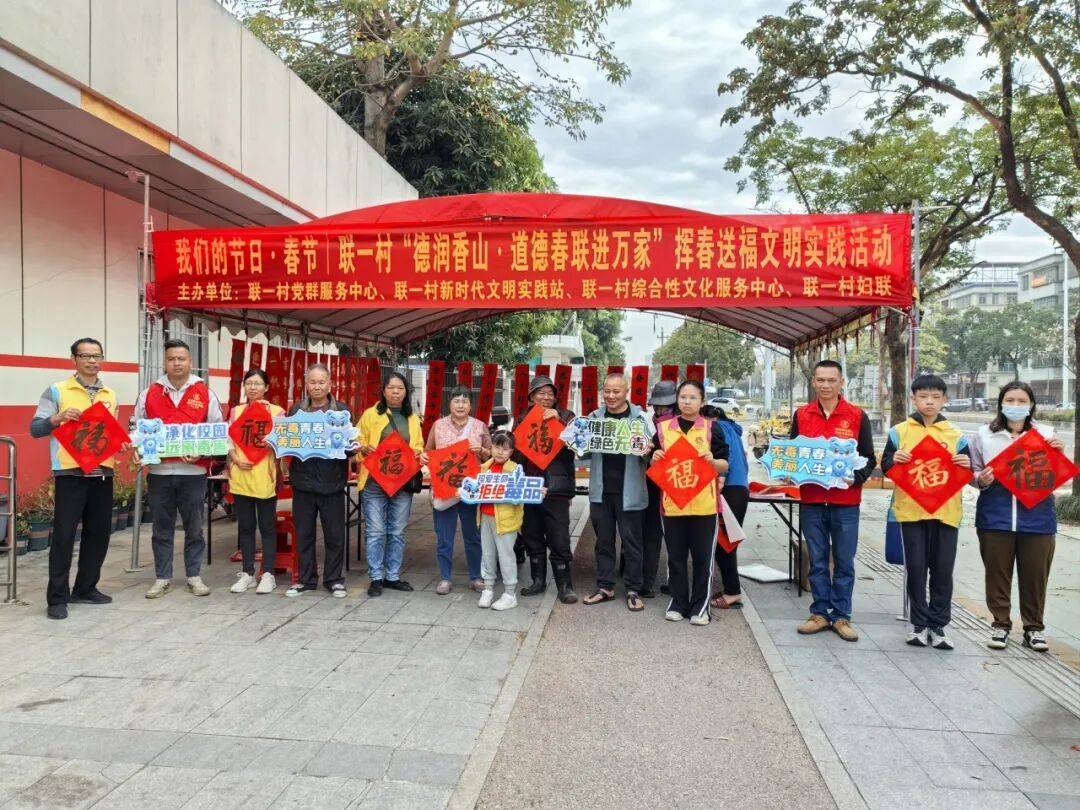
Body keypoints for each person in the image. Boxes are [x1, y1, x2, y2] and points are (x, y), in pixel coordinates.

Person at [969, 381, 1064, 652]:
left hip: (1038, 518)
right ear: (1001, 403)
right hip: (995, 516)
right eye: (1010, 400)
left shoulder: (1045, 434)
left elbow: (1057, 475)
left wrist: (1058, 454)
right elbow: (973, 472)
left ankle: (1034, 629)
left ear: (1031, 404)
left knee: (1035, 576)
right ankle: (1000, 625)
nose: (1015, 405)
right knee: (997, 574)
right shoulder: (984, 434)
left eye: (1022, 401)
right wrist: (981, 478)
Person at [29, 338, 120, 620]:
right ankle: (57, 598)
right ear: (74, 359)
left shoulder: (109, 393)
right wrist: (57, 418)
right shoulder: (57, 390)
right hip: (70, 473)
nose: (92, 361)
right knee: (64, 535)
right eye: (86, 356)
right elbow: (35, 428)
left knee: (99, 534)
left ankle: (85, 588)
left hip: (102, 473)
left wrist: (122, 443)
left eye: (97, 356)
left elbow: (110, 432)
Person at [880, 374, 970, 650]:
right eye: (923, 396)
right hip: (911, 512)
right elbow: (886, 467)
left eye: (935, 397)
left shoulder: (956, 435)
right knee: (916, 569)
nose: (929, 402)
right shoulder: (899, 432)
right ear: (913, 398)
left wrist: (966, 463)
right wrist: (894, 460)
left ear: (944, 400)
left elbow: (968, 472)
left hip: (946, 512)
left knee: (943, 571)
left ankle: (939, 625)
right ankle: (918, 624)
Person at [790, 359, 876, 642]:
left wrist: (857, 477)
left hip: (845, 502)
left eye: (831, 380)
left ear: (841, 383)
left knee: (844, 562)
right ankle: (819, 613)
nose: (826, 385)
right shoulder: (802, 415)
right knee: (816, 561)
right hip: (812, 500)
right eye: (821, 380)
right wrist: (790, 472)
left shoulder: (856, 415)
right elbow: (793, 454)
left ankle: (841, 616)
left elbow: (869, 458)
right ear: (813, 382)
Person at [134, 338, 223, 599]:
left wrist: (202, 451)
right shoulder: (149, 393)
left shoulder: (205, 393)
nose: (176, 363)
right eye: (171, 359)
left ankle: (194, 576)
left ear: (190, 362)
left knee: (194, 527)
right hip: (159, 473)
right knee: (161, 527)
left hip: (193, 474)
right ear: (165, 362)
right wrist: (139, 449)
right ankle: (162, 578)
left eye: (181, 359)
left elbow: (217, 431)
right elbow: (136, 428)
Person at [651, 379, 728, 625]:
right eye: (683, 397)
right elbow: (653, 461)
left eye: (693, 397)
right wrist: (654, 457)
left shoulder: (712, 429)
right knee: (675, 558)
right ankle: (678, 603)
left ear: (702, 401)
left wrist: (712, 462)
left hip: (705, 505)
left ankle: (700, 607)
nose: (687, 402)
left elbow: (725, 464)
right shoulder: (663, 429)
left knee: (703, 559)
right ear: (677, 400)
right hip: (672, 505)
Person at [583, 373, 653, 611]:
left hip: (630, 493)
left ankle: (633, 589)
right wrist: (577, 442)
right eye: (607, 391)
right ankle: (605, 586)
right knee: (603, 542)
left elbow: (650, 456)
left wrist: (648, 450)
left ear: (627, 392)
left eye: (616, 391)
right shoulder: (594, 418)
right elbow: (583, 452)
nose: (611, 396)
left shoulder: (640, 419)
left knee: (632, 543)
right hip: (601, 492)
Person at [284, 364, 351, 598]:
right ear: (306, 384)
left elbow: (349, 447)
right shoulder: (296, 411)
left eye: (321, 382)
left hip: (332, 483)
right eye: (312, 382)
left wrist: (354, 446)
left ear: (330, 384)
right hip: (303, 484)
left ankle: (334, 580)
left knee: (335, 536)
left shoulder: (341, 411)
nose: (317, 387)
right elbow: (288, 442)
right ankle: (306, 580)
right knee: (304, 535)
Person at [358, 372, 424, 597]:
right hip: (374, 483)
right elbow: (356, 442)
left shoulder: (412, 418)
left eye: (400, 388)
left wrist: (417, 454)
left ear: (406, 392)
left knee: (397, 531)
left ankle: (392, 576)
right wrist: (363, 448)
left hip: (402, 482)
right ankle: (376, 577)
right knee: (376, 531)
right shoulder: (370, 414)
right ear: (383, 390)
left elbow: (418, 446)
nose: (396, 392)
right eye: (391, 387)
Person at [421, 385, 492, 595]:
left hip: (471, 490)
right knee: (444, 537)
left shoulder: (479, 426)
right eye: (456, 401)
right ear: (449, 403)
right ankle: (445, 578)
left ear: (471, 405)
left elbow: (492, 456)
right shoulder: (438, 425)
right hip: (445, 490)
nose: (460, 405)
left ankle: (476, 577)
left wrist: (481, 450)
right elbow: (428, 451)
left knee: (473, 536)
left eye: (465, 401)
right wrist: (424, 458)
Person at [515, 374, 578, 604]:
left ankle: (565, 585)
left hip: (556, 487)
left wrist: (560, 422)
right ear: (531, 397)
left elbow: (578, 445)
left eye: (550, 394)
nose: (546, 397)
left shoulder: (567, 416)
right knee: (532, 534)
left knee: (559, 536)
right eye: (541, 393)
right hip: (530, 486)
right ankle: (537, 580)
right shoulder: (522, 417)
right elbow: (515, 451)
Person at [227, 369, 283, 595]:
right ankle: (247, 573)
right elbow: (228, 441)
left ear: (266, 387)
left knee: (267, 527)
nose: (252, 387)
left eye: (257, 383)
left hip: (265, 476)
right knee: (246, 527)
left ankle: (268, 573)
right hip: (241, 475)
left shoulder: (277, 412)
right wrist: (235, 458)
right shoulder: (236, 411)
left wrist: (273, 442)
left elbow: (284, 442)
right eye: (249, 383)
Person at [477, 432, 525, 611]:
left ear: (511, 451)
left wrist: (535, 491)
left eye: (505, 449)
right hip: (485, 517)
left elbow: (521, 495)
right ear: (490, 447)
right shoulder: (484, 468)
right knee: (487, 555)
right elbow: (476, 490)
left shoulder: (515, 469)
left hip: (506, 521)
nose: (500, 452)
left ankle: (510, 594)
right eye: (497, 447)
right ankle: (488, 589)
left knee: (506, 557)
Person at [709, 404, 749, 611]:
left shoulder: (718, 429)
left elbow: (725, 459)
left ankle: (733, 593)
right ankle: (730, 589)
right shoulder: (733, 429)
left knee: (724, 543)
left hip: (729, 489)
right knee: (727, 542)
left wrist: (722, 478)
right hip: (740, 488)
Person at [644, 381, 677, 597]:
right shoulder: (652, 427)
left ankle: (675, 583)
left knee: (675, 539)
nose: (660, 411)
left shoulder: (684, 426)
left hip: (677, 489)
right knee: (651, 536)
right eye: (657, 406)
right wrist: (649, 455)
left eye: (665, 407)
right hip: (655, 489)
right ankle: (647, 583)